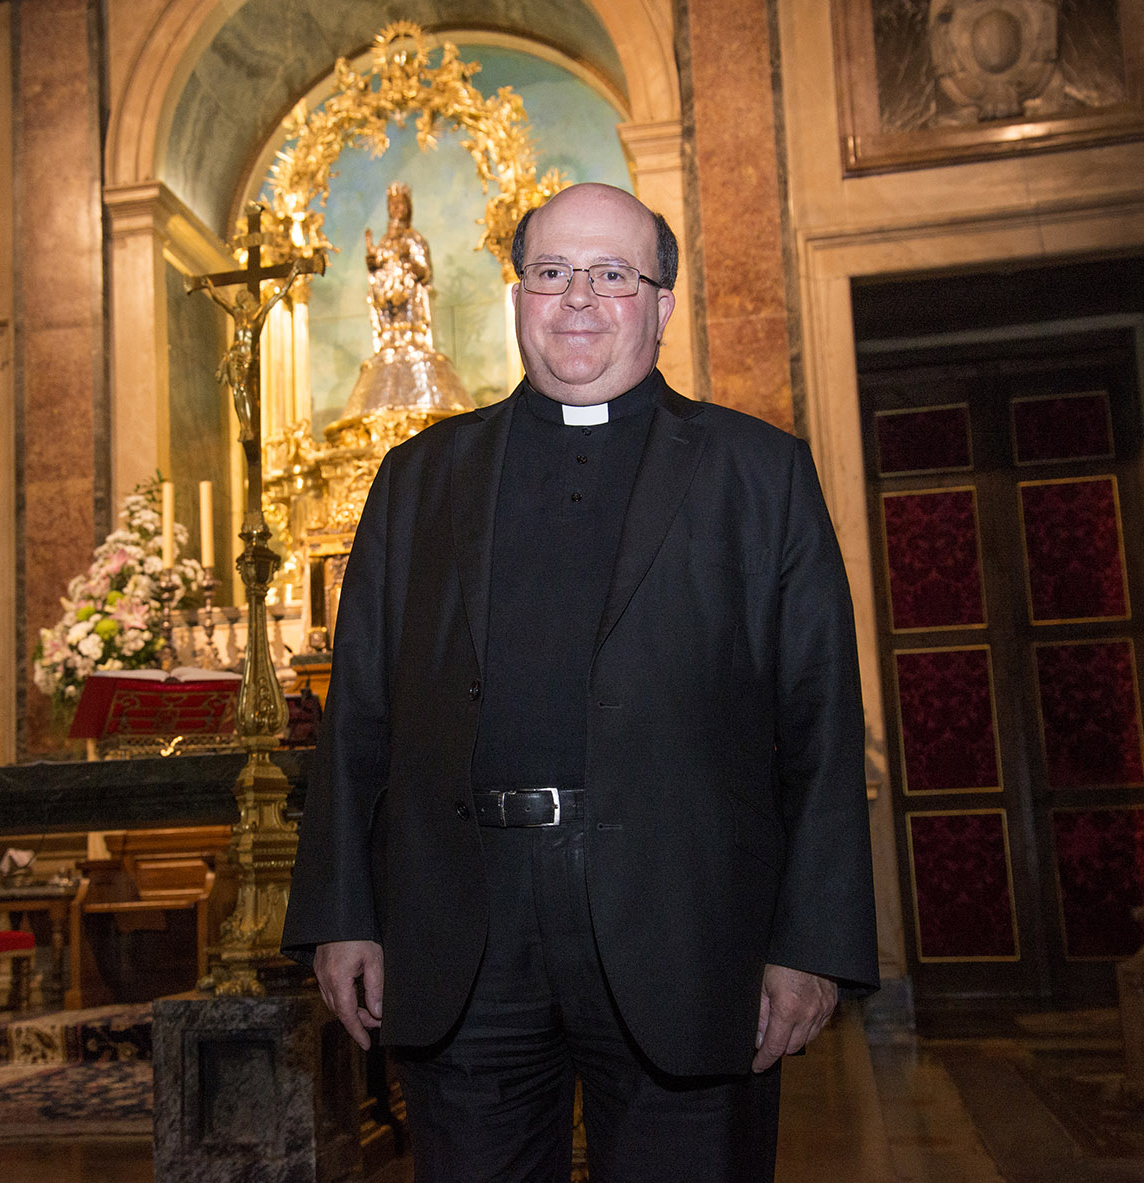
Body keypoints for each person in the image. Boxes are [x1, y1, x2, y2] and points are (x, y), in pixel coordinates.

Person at [283, 182, 877, 1182]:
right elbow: (360, 720)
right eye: (550, 273)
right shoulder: (419, 478)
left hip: (684, 923)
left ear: (661, 303)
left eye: (612, 275)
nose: (577, 300)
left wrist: (810, 943)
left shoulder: (756, 475)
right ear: (516, 298)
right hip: (464, 923)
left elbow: (818, 724)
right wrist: (342, 911)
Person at [364, 181, 435, 352]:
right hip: (387, 312)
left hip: (410, 310)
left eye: (400, 203)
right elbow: (377, 269)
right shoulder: (384, 242)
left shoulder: (415, 239)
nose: (396, 207)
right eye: (392, 204)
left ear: (408, 207)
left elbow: (425, 273)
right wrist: (373, 264)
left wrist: (407, 260)